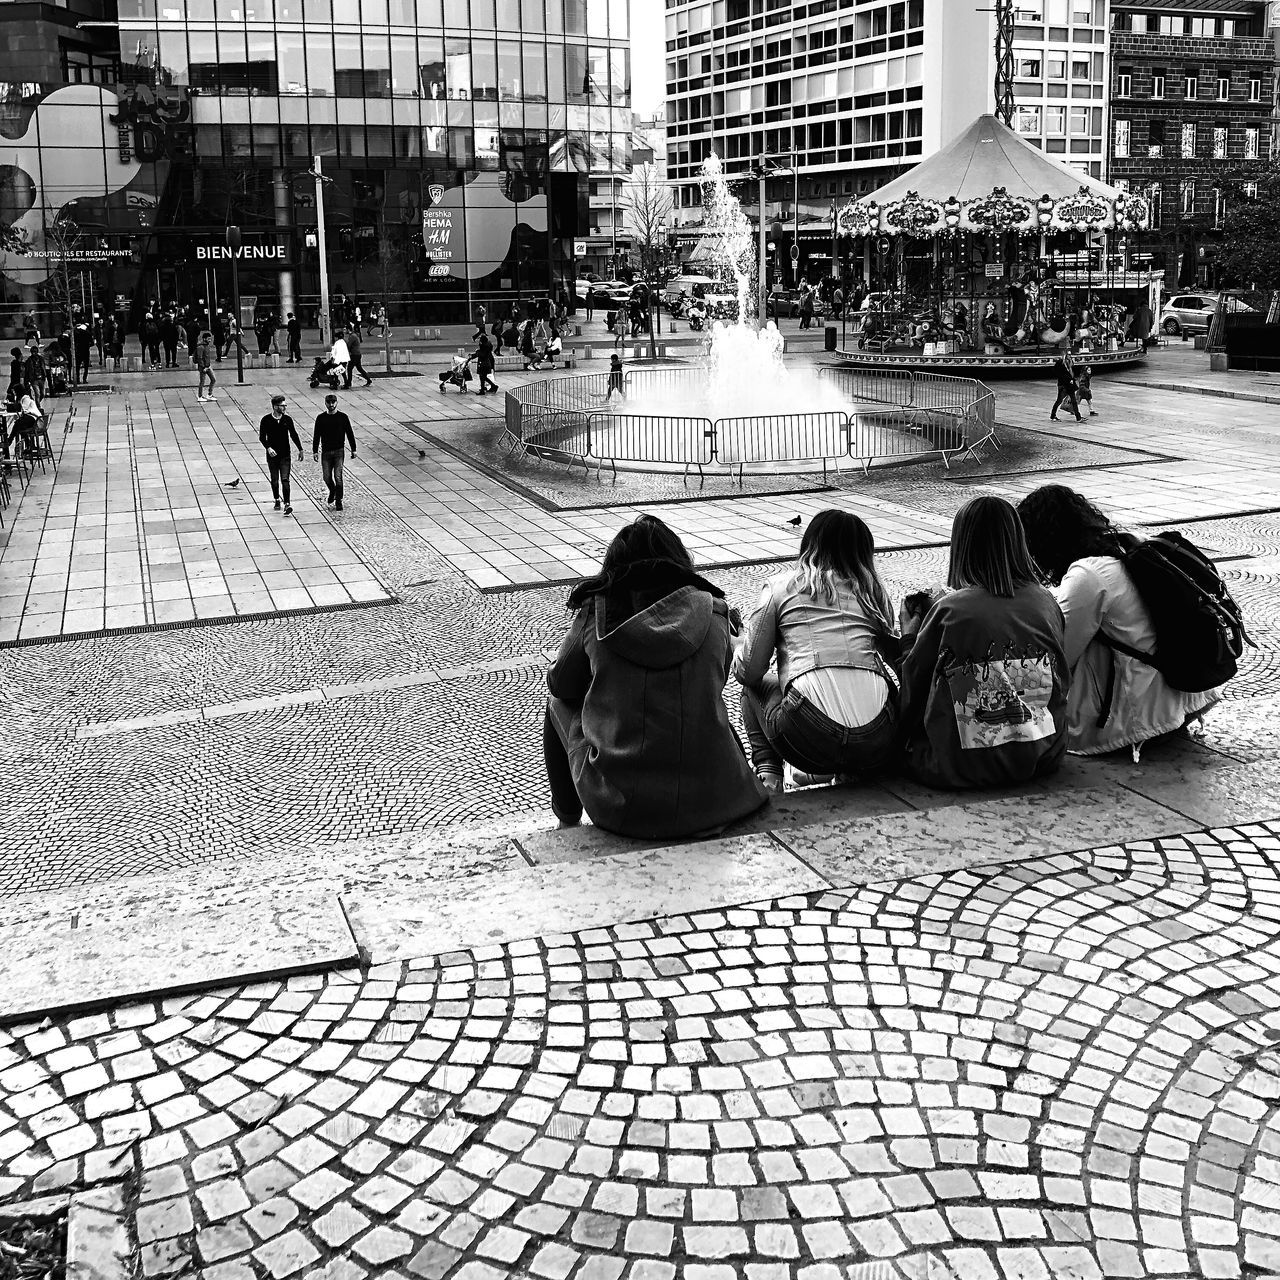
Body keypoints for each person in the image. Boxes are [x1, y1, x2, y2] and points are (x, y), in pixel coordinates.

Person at [543, 514, 768, 837]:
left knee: (555, 704)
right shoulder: (714, 612)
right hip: (717, 797)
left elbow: (561, 685)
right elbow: (717, 676)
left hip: (625, 806)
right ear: (678, 560)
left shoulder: (597, 612)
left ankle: (566, 820)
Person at [1017, 485, 1219, 756]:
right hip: (1182, 701)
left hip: (1136, 723)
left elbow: (1060, 656)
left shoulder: (1088, 575)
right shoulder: (1130, 544)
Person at [897, 496, 1069, 789]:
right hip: (1041, 754)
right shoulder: (1046, 602)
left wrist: (909, 636)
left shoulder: (950, 611)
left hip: (958, 765)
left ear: (961, 545)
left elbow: (912, 689)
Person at [734, 510, 901, 793]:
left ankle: (769, 776)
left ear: (809, 544)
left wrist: (739, 644)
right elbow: (898, 663)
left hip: (807, 732)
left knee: (754, 691)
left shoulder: (780, 587)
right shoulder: (873, 593)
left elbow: (749, 671)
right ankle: (852, 774)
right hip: (877, 735)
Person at [258, 394, 303, 515]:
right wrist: (268, 448)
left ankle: (287, 503)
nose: (284, 408)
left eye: (285, 405)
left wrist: (300, 448)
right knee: (274, 480)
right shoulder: (266, 420)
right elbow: (262, 437)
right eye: (282, 406)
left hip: (285, 455)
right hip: (272, 456)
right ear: (275, 406)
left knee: (285, 479)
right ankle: (277, 499)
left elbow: (293, 434)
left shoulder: (287, 420)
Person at [312, 392, 356, 511]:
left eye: (333, 402)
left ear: (336, 403)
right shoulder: (321, 418)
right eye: (329, 402)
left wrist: (353, 449)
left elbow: (349, 433)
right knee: (326, 477)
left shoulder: (342, 417)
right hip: (326, 451)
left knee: (338, 476)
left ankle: (338, 500)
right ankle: (333, 490)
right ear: (325, 403)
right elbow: (316, 435)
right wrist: (315, 450)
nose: (331, 404)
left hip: (338, 451)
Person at [1050, 352, 1083, 423]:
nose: (1070, 357)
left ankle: (1078, 417)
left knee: (1073, 401)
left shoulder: (1068, 364)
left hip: (1069, 385)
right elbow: (1058, 373)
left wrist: (1072, 380)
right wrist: (1067, 379)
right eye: (1068, 355)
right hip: (1063, 385)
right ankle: (1053, 415)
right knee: (1059, 400)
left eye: (1070, 355)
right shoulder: (1061, 363)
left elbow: (1071, 374)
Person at [195, 327, 216, 401]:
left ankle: (209, 394)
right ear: (204, 339)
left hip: (208, 366)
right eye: (208, 339)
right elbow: (200, 358)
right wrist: (203, 367)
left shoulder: (206, 346)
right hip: (203, 367)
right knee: (202, 381)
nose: (210, 340)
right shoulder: (201, 347)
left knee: (213, 379)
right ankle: (200, 396)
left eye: (210, 339)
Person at [474, 329, 498, 395]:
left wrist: (477, 352)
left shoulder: (484, 347)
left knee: (482, 376)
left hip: (484, 364)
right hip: (487, 363)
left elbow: (482, 354)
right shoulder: (487, 346)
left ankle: (485, 389)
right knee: (483, 377)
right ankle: (489, 387)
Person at [72, 320, 92, 385]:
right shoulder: (87, 333)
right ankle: (84, 379)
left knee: (77, 366)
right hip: (86, 351)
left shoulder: (76, 333)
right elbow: (91, 342)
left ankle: (77, 379)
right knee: (86, 366)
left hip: (78, 351)